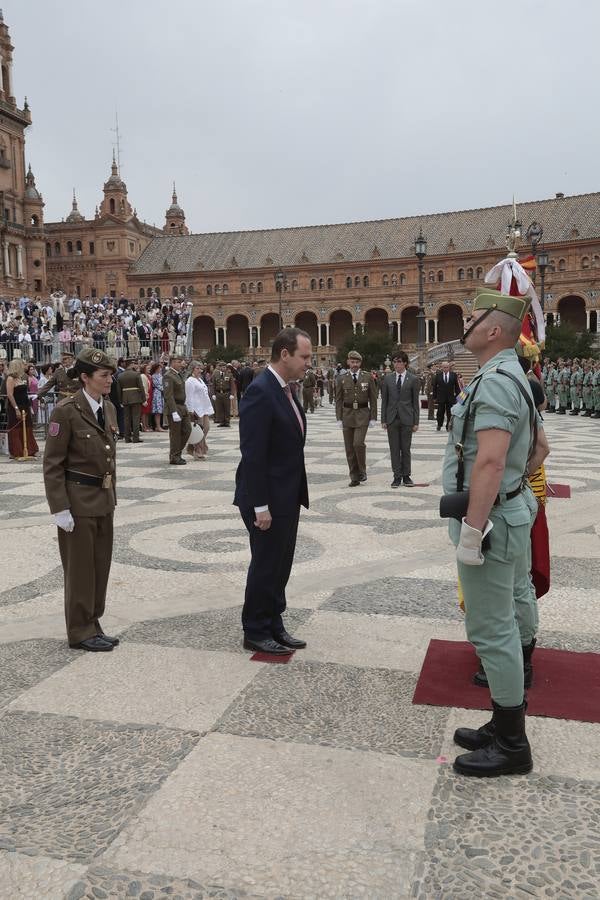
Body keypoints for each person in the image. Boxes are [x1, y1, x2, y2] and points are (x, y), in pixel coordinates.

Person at [441, 286, 543, 777]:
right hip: (510, 510)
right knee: (503, 619)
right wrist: (517, 489)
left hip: (491, 522)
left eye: (476, 316)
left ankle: (511, 745)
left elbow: (489, 459)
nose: (468, 320)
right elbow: (539, 445)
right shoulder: (509, 376)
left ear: (495, 329)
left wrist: (473, 528)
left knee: (491, 629)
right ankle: (502, 720)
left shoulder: (497, 382)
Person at [234, 327, 311, 655]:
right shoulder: (261, 390)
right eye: (304, 357)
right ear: (285, 354)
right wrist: (260, 505)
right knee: (266, 563)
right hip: (265, 497)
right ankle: (255, 628)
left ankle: (274, 621)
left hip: (287, 493)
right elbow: (253, 454)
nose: (309, 362)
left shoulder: (286, 389)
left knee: (281, 563)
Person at [42, 348, 119, 652]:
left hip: (103, 499)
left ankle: (93, 622)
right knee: (80, 570)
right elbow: (52, 463)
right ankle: (79, 630)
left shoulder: (108, 408)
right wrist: (59, 507)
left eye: (111, 374)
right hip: (77, 502)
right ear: (85, 378)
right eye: (104, 375)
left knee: (100, 566)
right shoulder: (66, 410)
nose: (109, 380)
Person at [335, 350, 378, 486]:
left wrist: (373, 417)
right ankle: (354, 476)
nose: (354, 364)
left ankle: (362, 471)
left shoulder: (367, 377)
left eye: (357, 362)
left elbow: (373, 398)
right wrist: (339, 418)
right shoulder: (341, 378)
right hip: (347, 415)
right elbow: (338, 399)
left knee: (358, 444)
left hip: (363, 414)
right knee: (349, 448)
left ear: (360, 363)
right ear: (348, 362)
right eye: (352, 362)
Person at [380, 351, 420, 487]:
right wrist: (383, 420)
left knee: (406, 448)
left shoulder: (413, 379)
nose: (396, 364)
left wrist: (416, 422)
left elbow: (415, 402)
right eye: (394, 361)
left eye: (399, 361)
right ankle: (396, 476)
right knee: (394, 449)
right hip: (392, 419)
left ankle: (406, 476)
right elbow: (384, 401)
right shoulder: (388, 379)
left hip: (407, 419)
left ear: (405, 363)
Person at [6, 358, 39, 459]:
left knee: (28, 427)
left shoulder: (21, 378)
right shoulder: (10, 378)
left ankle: (30, 449)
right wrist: (16, 408)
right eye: (22, 364)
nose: (25, 366)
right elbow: (10, 395)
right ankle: (17, 451)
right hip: (16, 406)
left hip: (25, 405)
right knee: (17, 428)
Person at [163, 353, 192, 464]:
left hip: (182, 406)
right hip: (174, 407)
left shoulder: (178, 374)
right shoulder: (168, 376)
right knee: (175, 434)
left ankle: (176, 453)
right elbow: (168, 395)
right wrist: (174, 411)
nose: (181, 364)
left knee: (187, 430)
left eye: (181, 362)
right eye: (179, 362)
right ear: (173, 363)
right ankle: (175, 456)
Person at [185, 361, 214, 459]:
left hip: (204, 406)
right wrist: (190, 410)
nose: (199, 370)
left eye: (200, 368)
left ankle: (191, 446)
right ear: (192, 369)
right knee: (199, 430)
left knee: (207, 428)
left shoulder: (200, 380)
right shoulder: (189, 381)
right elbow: (189, 397)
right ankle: (198, 450)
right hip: (196, 408)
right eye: (197, 368)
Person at [117, 359, 145, 443]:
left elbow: (119, 390)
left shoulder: (120, 375)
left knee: (126, 419)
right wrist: (143, 399)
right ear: (131, 365)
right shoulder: (136, 374)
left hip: (125, 398)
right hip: (136, 398)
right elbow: (141, 387)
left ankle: (127, 438)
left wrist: (120, 400)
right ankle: (136, 438)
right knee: (136, 418)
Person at [433, 360, 460, 431]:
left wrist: (459, 397)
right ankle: (439, 424)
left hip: (450, 398)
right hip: (441, 397)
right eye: (444, 367)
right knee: (440, 412)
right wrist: (434, 397)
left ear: (449, 368)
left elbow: (457, 387)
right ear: (442, 367)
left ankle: (448, 425)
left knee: (449, 412)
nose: (445, 369)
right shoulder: (438, 375)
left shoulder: (453, 375)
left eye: (447, 367)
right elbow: (435, 387)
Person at [212, 360, 234, 427]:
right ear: (219, 367)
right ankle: (221, 421)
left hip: (226, 393)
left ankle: (227, 421)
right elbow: (213, 385)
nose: (223, 368)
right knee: (220, 408)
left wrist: (232, 394)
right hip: (218, 393)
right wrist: (213, 394)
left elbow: (232, 385)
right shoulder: (215, 375)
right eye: (222, 367)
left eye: (224, 367)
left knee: (227, 407)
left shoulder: (229, 374)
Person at [150, 361, 166, 431]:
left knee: (160, 411)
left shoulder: (160, 375)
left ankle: (159, 425)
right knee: (158, 411)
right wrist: (164, 389)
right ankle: (158, 426)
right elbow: (157, 385)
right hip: (157, 394)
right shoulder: (153, 376)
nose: (160, 369)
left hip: (161, 394)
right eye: (159, 368)